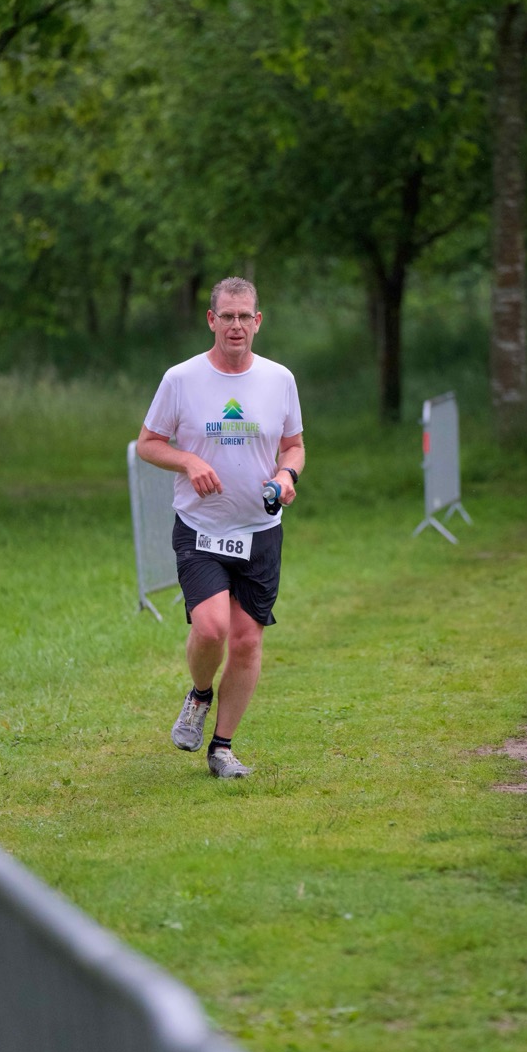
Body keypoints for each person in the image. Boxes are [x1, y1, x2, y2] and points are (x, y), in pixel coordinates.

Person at [136, 276, 304, 777]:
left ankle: (222, 749)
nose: (236, 325)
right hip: (201, 528)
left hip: (260, 530)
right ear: (211, 320)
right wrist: (188, 461)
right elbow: (148, 443)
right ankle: (200, 694)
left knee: (247, 641)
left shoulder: (279, 379)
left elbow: (294, 445)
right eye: (226, 316)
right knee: (211, 628)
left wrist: (287, 475)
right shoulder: (181, 379)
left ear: (258, 321)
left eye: (244, 316)